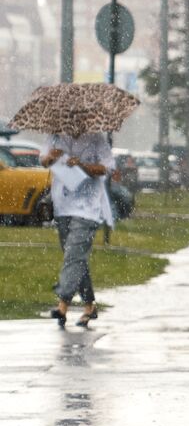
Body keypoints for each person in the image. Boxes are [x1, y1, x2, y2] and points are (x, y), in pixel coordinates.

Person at [40, 120, 116, 328]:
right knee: (75, 258)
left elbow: (107, 168)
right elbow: (43, 161)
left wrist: (83, 166)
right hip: (63, 205)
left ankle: (62, 305)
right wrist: (51, 157)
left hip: (89, 207)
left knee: (74, 255)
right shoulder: (55, 136)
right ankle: (90, 306)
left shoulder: (96, 139)